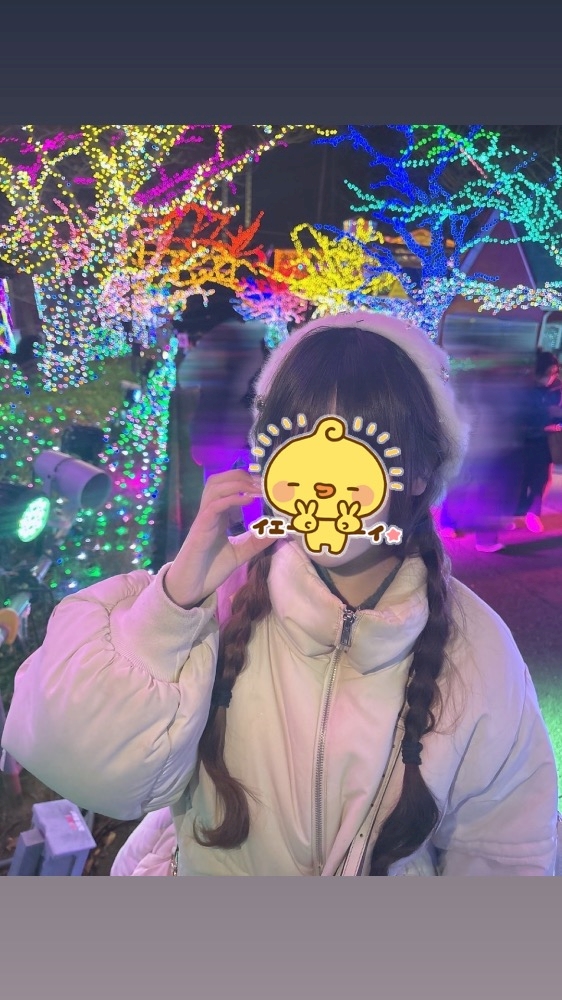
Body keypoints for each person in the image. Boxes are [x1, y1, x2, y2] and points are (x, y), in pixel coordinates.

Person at [2, 313, 559, 877]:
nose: (325, 481)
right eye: (299, 447)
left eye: (362, 448)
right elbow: (86, 770)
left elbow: (506, 849)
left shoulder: (476, 648)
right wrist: (172, 605)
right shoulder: (213, 603)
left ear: (418, 472)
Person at [516, 350, 562, 533]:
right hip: (524, 441)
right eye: (550, 372)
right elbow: (519, 415)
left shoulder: (557, 389)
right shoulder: (525, 389)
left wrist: (557, 421)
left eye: (555, 372)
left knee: (541, 480)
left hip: (546, 442)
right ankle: (518, 511)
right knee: (521, 478)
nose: (553, 376)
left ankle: (532, 513)